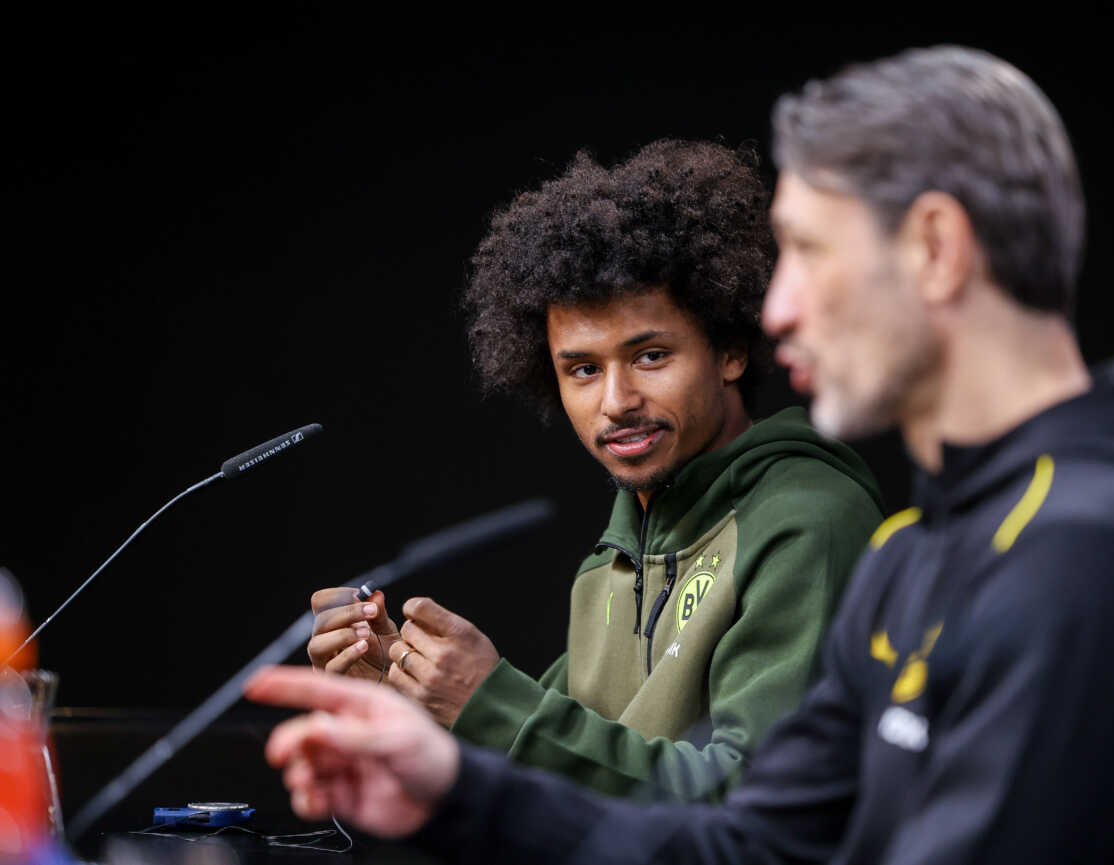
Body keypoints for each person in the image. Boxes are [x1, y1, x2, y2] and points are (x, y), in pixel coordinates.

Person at [248, 46, 1114, 862]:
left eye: (810, 254)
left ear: (932, 248)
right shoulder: (920, 552)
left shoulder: (1094, 557)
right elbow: (750, 844)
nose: (776, 309)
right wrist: (452, 788)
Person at [304, 139, 885, 801]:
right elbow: (557, 785)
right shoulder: (611, 564)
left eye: (651, 355)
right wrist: (407, 697)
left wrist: (489, 705)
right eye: (583, 369)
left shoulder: (808, 521)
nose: (616, 402)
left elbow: (754, 804)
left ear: (729, 350)